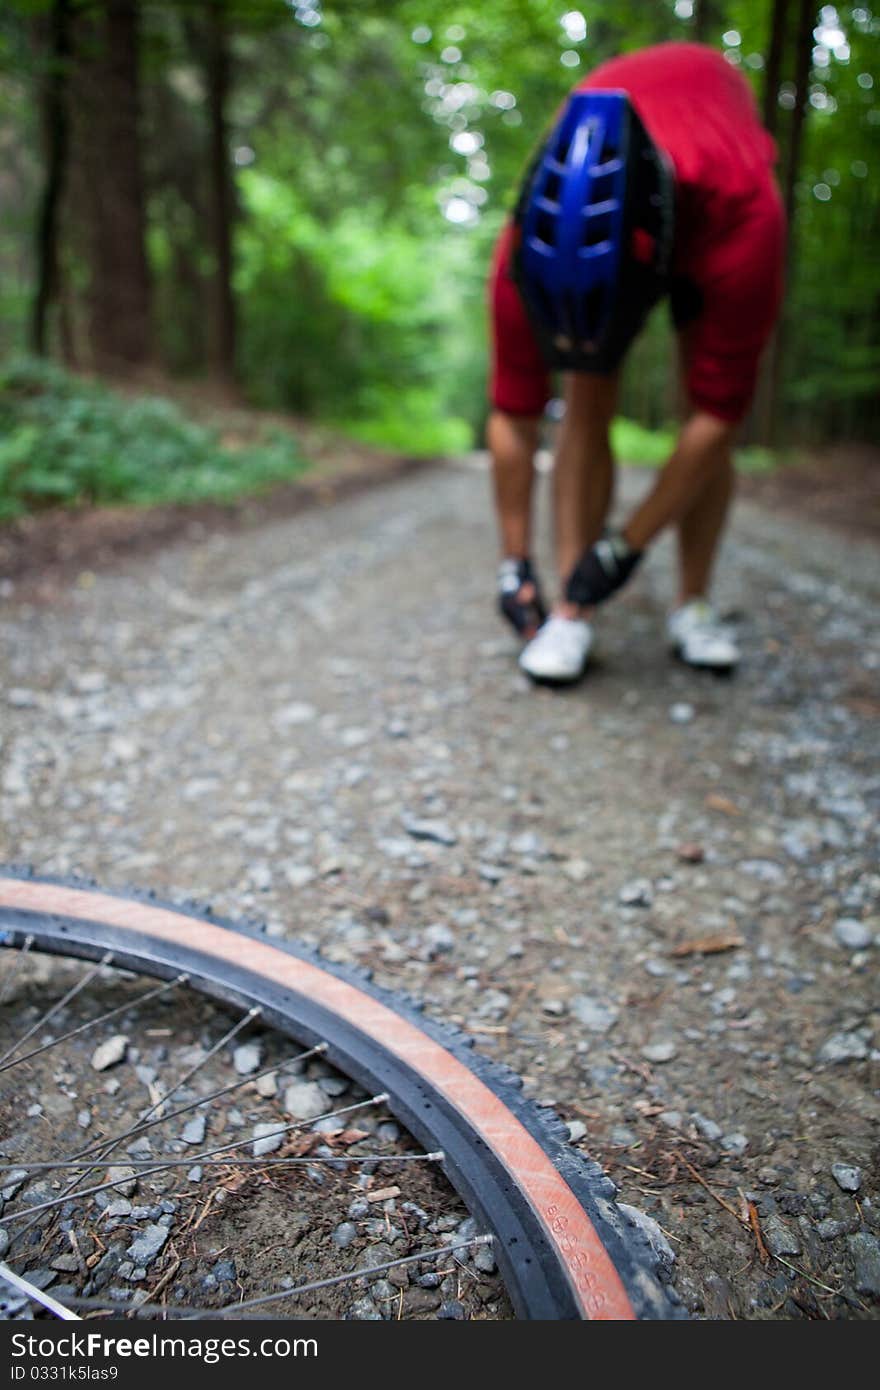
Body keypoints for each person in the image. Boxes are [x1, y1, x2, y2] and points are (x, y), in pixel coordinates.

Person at [488, 41, 785, 683]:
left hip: (704, 209)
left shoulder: (747, 220)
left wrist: (626, 548)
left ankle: (693, 602)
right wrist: (514, 562)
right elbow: (513, 416)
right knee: (587, 384)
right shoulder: (524, 247)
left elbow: (718, 415)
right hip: (609, 214)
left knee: (700, 398)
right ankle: (573, 610)